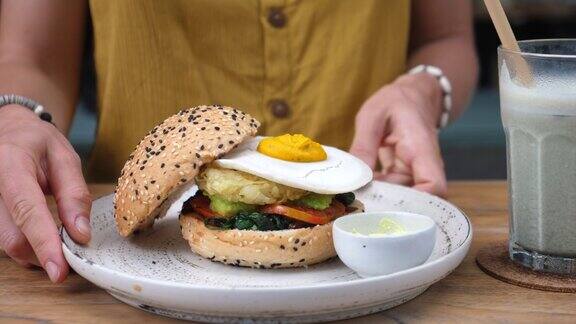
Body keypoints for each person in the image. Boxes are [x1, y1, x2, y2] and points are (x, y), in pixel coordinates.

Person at [0, 0, 478, 282]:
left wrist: (424, 88)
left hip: (372, 202)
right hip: (124, 261)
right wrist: (16, 115)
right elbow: (32, 54)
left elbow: (446, 37)